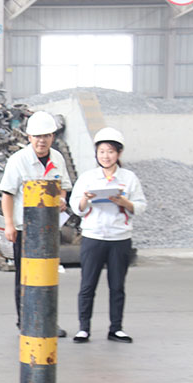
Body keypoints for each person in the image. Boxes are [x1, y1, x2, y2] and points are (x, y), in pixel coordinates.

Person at [69, 127, 147, 344]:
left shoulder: (129, 178)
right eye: (102, 151)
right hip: (93, 237)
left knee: (117, 286)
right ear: (96, 153)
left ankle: (116, 328)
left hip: (119, 239)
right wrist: (85, 199)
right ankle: (84, 329)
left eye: (111, 151)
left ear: (119, 153)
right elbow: (76, 207)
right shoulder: (88, 177)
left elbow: (141, 205)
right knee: (87, 285)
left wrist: (125, 202)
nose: (106, 156)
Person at [0, 111, 70, 336]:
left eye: (46, 136)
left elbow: (63, 187)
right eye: (37, 136)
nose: (42, 141)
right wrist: (9, 225)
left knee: (48, 277)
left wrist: (62, 200)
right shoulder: (18, 160)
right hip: (25, 230)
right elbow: (7, 194)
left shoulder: (57, 158)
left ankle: (47, 321)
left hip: (48, 229)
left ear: (53, 137)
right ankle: (25, 321)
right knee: (25, 278)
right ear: (29, 137)